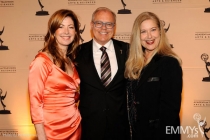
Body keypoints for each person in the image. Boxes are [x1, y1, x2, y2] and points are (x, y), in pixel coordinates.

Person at [125, 12, 182, 140]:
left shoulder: (169, 63)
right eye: (143, 31)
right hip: (137, 134)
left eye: (153, 30)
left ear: (160, 32)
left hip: (159, 135)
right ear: (137, 36)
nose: (149, 36)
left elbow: (170, 112)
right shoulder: (134, 63)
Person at [75, 7, 130, 140]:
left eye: (109, 24)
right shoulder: (77, 53)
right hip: (89, 128)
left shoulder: (128, 50)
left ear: (114, 26)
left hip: (120, 128)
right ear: (91, 25)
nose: (104, 28)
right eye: (99, 23)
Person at [28, 9, 81, 140]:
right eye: (61, 27)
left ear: (76, 32)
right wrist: (41, 136)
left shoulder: (71, 61)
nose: (66, 32)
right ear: (53, 31)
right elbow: (35, 103)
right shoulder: (41, 61)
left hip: (75, 127)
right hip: (52, 131)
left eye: (71, 27)